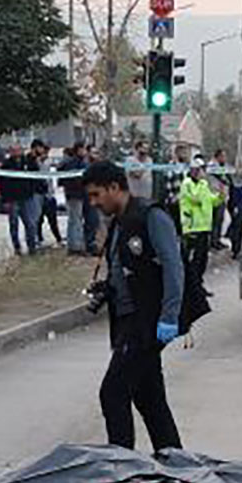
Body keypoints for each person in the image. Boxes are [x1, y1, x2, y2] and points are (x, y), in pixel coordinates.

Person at [84, 161, 185, 451]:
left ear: (114, 187)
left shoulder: (150, 216)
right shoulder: (120, 220)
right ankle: (175, 464)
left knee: (113, 393)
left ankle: (122, 471)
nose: (93, 203)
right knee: (149, 398)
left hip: (146, 323)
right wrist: (107, 288)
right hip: (128, 320)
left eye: (96, 195)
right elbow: (128, 268)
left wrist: (170, 316)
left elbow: (173, 267)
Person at [179, 157, 224, 293]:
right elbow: (195, 198)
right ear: (194, 171)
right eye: (201, 170)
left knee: (202, 260)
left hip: (204, 227)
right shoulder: (187, 184)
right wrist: (202, 182)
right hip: (192, 227)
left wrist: (221, 196)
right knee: (194, 260)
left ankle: (198, 285)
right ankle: (191, 288)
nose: (203, 172)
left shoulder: (203, 184)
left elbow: (211, 201)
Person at [0, 143, 41, 255]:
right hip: (12, 198)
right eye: (14, 150)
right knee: (14, 224)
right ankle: (17, 247)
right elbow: (3, 183)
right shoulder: (6, 164)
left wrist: (33, 190)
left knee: (30, 223)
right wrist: (5, 200)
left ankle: (32, 246)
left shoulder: (28, 162)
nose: (17, 152)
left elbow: (36, 174)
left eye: (19, 150)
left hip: (26, 197)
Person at [27, 140, 62, 247]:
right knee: (37, 218)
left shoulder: (48, 162)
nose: (44, 153)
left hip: (47, 193)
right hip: (36, 192)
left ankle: (58, 238)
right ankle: (36, 239)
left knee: (51, 218)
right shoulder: (31, 160)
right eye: (43, 150)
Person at [58, 143, 89, 255]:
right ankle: (76, 246)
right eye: (83, 149)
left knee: (75, 220)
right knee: (75, 220)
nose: (85, 151)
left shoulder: (81, 162)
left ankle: (75, 244)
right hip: (75, 195)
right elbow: (73, 180)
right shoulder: (73, 163)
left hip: (78, 194)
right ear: (78, 150)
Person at [208, 149, 232, 250]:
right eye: (222, 156)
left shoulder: (222, 167)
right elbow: (222, 180)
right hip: (214, 196)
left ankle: (216, 240)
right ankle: (213, 241)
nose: (224, 158)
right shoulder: (213, 167)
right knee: (215, 220)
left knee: (220, 220)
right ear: (217, 157)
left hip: (221, 197)